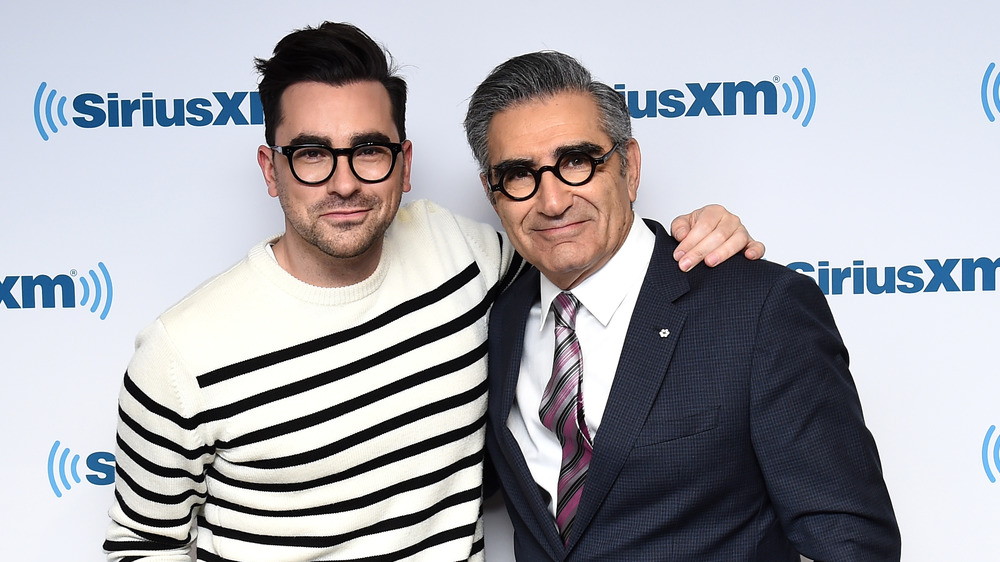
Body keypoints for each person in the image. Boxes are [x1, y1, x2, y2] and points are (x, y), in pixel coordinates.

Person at [103, 22, 762, 561]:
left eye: (369, 149)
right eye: (310, 153)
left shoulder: (465, 257)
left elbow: (580, 251)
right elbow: (142, 544)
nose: (342, 182)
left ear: (405, 163)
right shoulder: (182, 350)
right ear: (270, 170)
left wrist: (692, 236)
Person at [466, 51, 901, 561]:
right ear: (492, 193)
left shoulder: (758, 308)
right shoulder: (496, 318)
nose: (553, 200)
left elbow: (852, 541)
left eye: (577, 162)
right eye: (519, 174)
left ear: (629, 169)